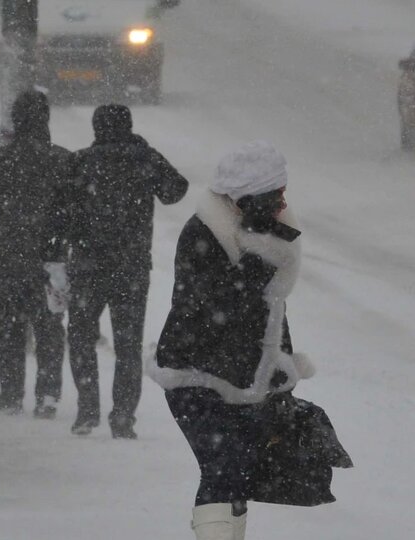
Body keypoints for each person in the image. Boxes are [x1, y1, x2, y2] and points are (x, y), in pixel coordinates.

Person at [147, 142, 350, 540]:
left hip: (243, 380)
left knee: (236, 473)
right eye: (276, 195)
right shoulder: (206, 235)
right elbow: (213, 310)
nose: (283, 202)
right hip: (196, 378)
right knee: (222, 469)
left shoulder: (262, 233)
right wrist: (260, 261)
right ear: (246, 198)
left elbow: (271, 313)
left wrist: (282, 370)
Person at [62, 104, 188, 438]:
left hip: (87, 267)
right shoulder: (143, 159)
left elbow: (60, 211)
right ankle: (122, 418)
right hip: (130, 269)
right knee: (128, 346)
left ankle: (87, 410)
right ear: (129, 127)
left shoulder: (82, 162)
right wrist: (143, 153)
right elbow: (177, 190)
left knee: (80, 338)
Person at [0, 91, 70, 418]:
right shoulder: (64, 161)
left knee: (9, 329)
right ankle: (48, 395)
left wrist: (4, 210)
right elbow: (80, 208)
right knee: (49, 328)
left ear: (15, 120)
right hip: (52, 260)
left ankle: (11, 393)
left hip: (8, 257)